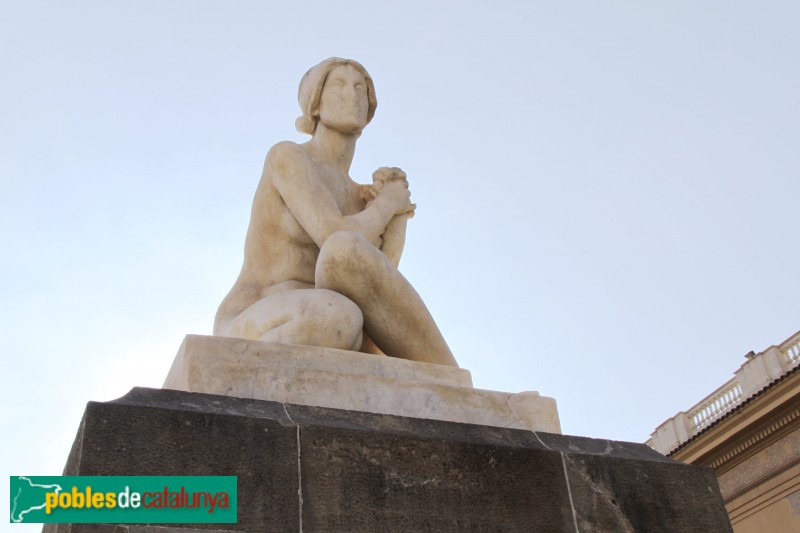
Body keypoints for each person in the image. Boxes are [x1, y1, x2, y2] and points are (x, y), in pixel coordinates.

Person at [214, 57, 457, 367]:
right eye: (338, 86)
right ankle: (452, 379)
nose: (352, 96)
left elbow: (379, 285)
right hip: (259, 312)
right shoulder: (288, 157)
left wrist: (396, 212)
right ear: (315, 103)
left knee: (348, 320)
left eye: (360, 89)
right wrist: (385, 206)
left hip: (339, 318)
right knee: (338, 314)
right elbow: (333, 237)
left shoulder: (362, 196)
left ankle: (452, 378)